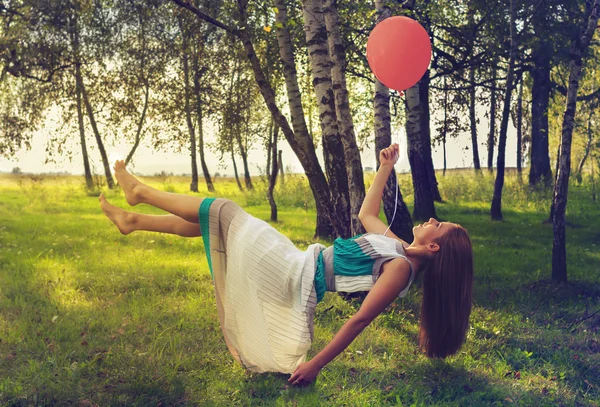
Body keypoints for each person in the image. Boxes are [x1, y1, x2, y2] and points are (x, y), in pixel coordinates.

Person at [99, 143, 474, 386]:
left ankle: (141, 193)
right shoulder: (398, 249)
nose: (429, 220)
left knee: (223, 211)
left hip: (294, 277)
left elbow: (359, 321)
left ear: (437, 247)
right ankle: (136, 222)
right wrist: (385, 167)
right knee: (218, 226)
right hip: (296, 262)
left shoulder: (400, 269)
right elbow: (366, 212)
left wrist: (316, 365)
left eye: (436, 225)